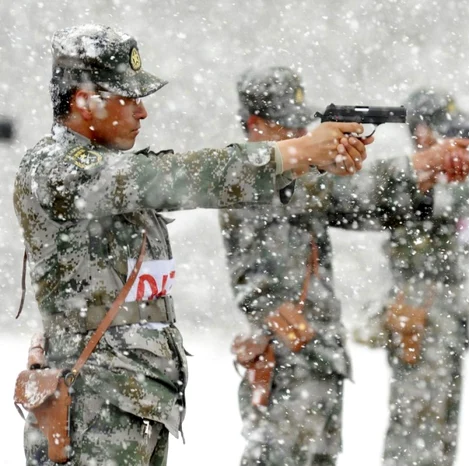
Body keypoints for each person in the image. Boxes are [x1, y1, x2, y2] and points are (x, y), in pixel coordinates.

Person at [15, 25, 372, 466]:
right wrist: (294, 153)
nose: (141, 112)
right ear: (86, 101)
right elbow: (175, 176)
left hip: (132, 403)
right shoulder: (55, 169)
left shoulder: (104, 172)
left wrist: (312, 161)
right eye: (129, 98)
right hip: (90, 406)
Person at [222, 72, 469, 466]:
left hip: (317, 357)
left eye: (299, 120)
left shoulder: (298, 176)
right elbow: (344, 191)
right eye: (286, 122)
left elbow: (365, 205)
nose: (299, 131)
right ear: (255, 125)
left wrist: (424, 177)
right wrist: (417, 165)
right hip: (286, 360)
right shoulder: (251, 175)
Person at [351, 88, 469, 466]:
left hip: (447, 316)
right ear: (422, 132)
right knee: (415, 429)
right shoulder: (407, 184)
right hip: (419, 316)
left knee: (442, 430)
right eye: (443, 130)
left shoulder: (450, 184)